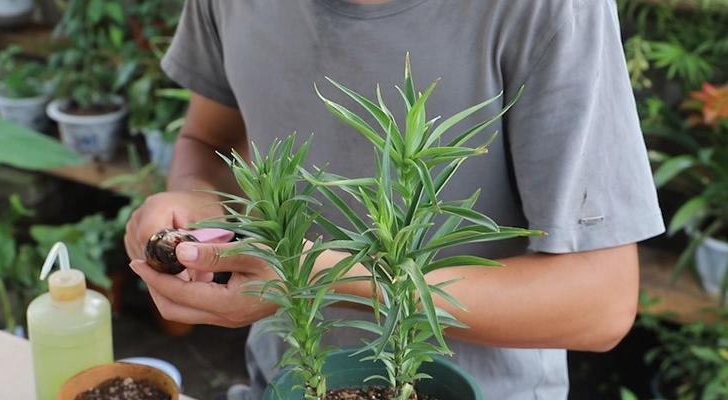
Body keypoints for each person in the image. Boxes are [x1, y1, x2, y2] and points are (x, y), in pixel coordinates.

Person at [125, 1, 665, 399]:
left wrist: (310, 275)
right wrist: (194, 207)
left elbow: (601, 302)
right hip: (287, 378)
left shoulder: (552, 10)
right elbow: (208, 140)